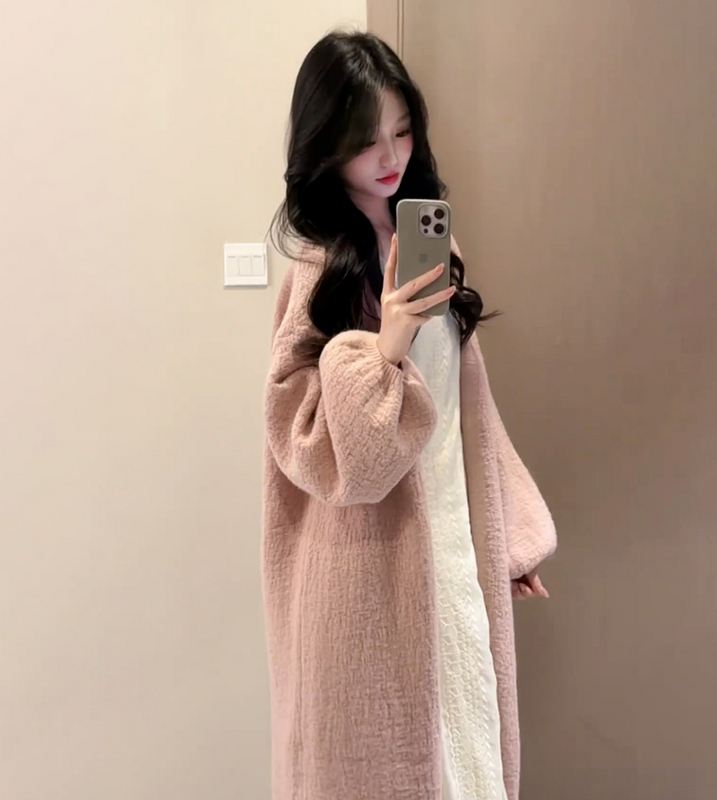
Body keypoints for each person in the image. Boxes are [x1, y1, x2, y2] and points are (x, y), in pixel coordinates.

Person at [262, 30, 556, 800]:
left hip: (451, 548)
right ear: (326, 147)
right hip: (367, 569)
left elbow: (467, 414)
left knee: (467, 753)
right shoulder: (320, 272)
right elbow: (326, 454)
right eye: (367, 140)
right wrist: (385, 343)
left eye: (402, 129)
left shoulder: (432, 247)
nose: (391, 155)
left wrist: (511, 536)